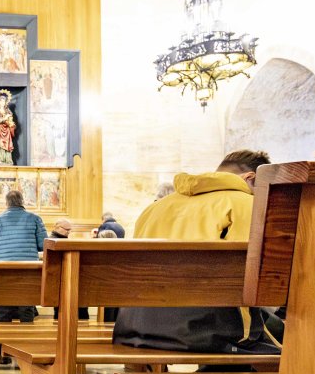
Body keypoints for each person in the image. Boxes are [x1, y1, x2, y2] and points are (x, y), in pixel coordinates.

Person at [113, 150, 279, 358]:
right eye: (264, 189)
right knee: (289, 349)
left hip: (136, 324)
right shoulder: (247, 203)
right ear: (250, 178)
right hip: (203, 331)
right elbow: (257, 272)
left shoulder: (156, 207)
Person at [0, 190, 46, 322]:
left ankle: (2, 340)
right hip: (28, 269)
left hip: (2, 269)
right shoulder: (35, 219)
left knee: (4, 306)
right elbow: (44, 244)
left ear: (6, 203)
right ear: (22, 201)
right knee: (26, 305)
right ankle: (25, 340)